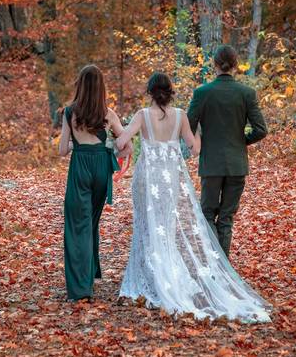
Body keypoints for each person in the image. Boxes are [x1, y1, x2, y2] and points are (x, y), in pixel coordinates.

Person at [114, 72, 270, 322]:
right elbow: (194, 148)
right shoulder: (180, 116)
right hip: (171, 178)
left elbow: (122, 140)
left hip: (148, 180)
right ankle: (166, 274)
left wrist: (120, 142)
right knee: (166, 226)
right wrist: (200, 131)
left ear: (150, 92)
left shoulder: (142, 116)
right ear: (170, 91)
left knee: (148, 228)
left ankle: (153, 279)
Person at [187, 45, 268, 256]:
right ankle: (224, 267)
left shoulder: (202, 92)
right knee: (226, 217)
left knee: (207, 214)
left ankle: (217, 265)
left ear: (215, 64)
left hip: (211, 164)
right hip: (236, 163)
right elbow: (261, 130)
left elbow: (188, 124)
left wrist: (200, 141)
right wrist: (241, 141)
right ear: (235, 65)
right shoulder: (246, 93)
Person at [57, 64, 128, 301]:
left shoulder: (69, 113)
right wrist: (112, 147)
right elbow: (126, 145)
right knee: (90, 222)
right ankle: (89, 275)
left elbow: (61, 150)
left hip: (80, 166)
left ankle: (80, 288)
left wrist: (77, 144)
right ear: (100, 88)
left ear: (81, 85)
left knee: (78, 225)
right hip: (101, 167)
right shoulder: (108, 114)